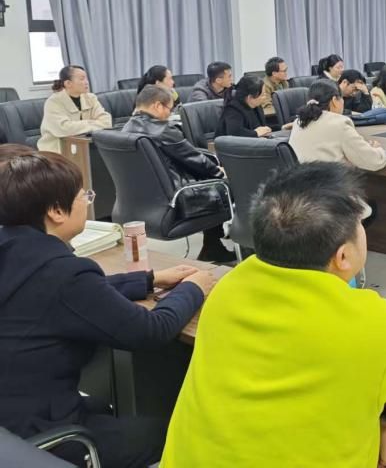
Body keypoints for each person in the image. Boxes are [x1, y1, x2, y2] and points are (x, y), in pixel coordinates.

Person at [161, 162, 386, 468]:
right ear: (343, 256)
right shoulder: (375, 324)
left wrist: (379, 421)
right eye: (360, 224)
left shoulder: (227, 290)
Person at [0, 146, 214, 468]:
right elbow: (150, 331)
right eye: (83, 195)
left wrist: (148, 279)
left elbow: (65, 296)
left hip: (10, 422)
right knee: (178, 430)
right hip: (42, 437)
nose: (88, 201)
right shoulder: (62, 273)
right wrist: (194, 288)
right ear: (56, 211)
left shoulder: (15, 251)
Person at [123, 86, 233, 264]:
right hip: (176, 200)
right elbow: (194, 159)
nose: (170, 114)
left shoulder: (126, 128)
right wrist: (219, 172)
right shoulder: (162, 130)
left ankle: (213, 247)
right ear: (158, 106)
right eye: (170, 108)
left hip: (144, 200)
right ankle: (230, 246)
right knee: (228, 186)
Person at [289, 79, 386, 172]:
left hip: (300, 182)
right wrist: (377, 150)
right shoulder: (339, 123)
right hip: (330, 182)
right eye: (341, 98)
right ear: (334, 100)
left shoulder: (298, 122)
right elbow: (372, 161)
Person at [37, 65, 112, 154]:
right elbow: (65, 128)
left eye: (86, 78)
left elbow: (107, 121)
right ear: (68, 83)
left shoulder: (91, 98)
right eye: (82, 79)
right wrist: (93, 123)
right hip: (57, 150)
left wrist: (82, 126)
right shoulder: (54, 102)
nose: (86, 82)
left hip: (84, 147)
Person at [260, 57, 289, 124]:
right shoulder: (264, 86)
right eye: (284, 71)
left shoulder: (285, 83)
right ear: (274, 73)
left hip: (284, 115)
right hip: (272, 119)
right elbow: (267, 106)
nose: (286, 73)